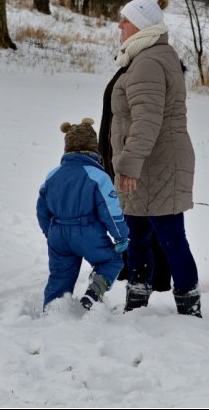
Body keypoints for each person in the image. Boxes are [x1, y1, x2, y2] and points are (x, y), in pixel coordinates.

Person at [109, 0, 201, 317]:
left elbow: (146, 120)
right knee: (138, 237)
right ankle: (137, 302)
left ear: (142, 25)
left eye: (125, 19)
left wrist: (129, 164)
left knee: (171, 238)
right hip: (149, 163)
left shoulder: (148, 62)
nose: (120, 25)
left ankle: (189, 307)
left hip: (156, 164)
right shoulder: (150, 56)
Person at [37, 118, 129, 310]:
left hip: (58, 234)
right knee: (111, 260)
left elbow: (42, 210)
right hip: (87, 232)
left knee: (60, 275)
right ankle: (92, 295)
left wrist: (50, 232)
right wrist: (121, 236)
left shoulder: (52, 175)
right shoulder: (97, 175)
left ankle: (52, 310)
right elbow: (110, 210)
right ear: (94, 148)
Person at [99, 65, 173, 294]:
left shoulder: (147, 74)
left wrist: (130, 160)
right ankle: (132, 271)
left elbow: (145, 124)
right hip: (121, 159)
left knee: (152, 219)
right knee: (130, 217)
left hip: (139, 162)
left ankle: (157, 278)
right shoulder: (127, 73)